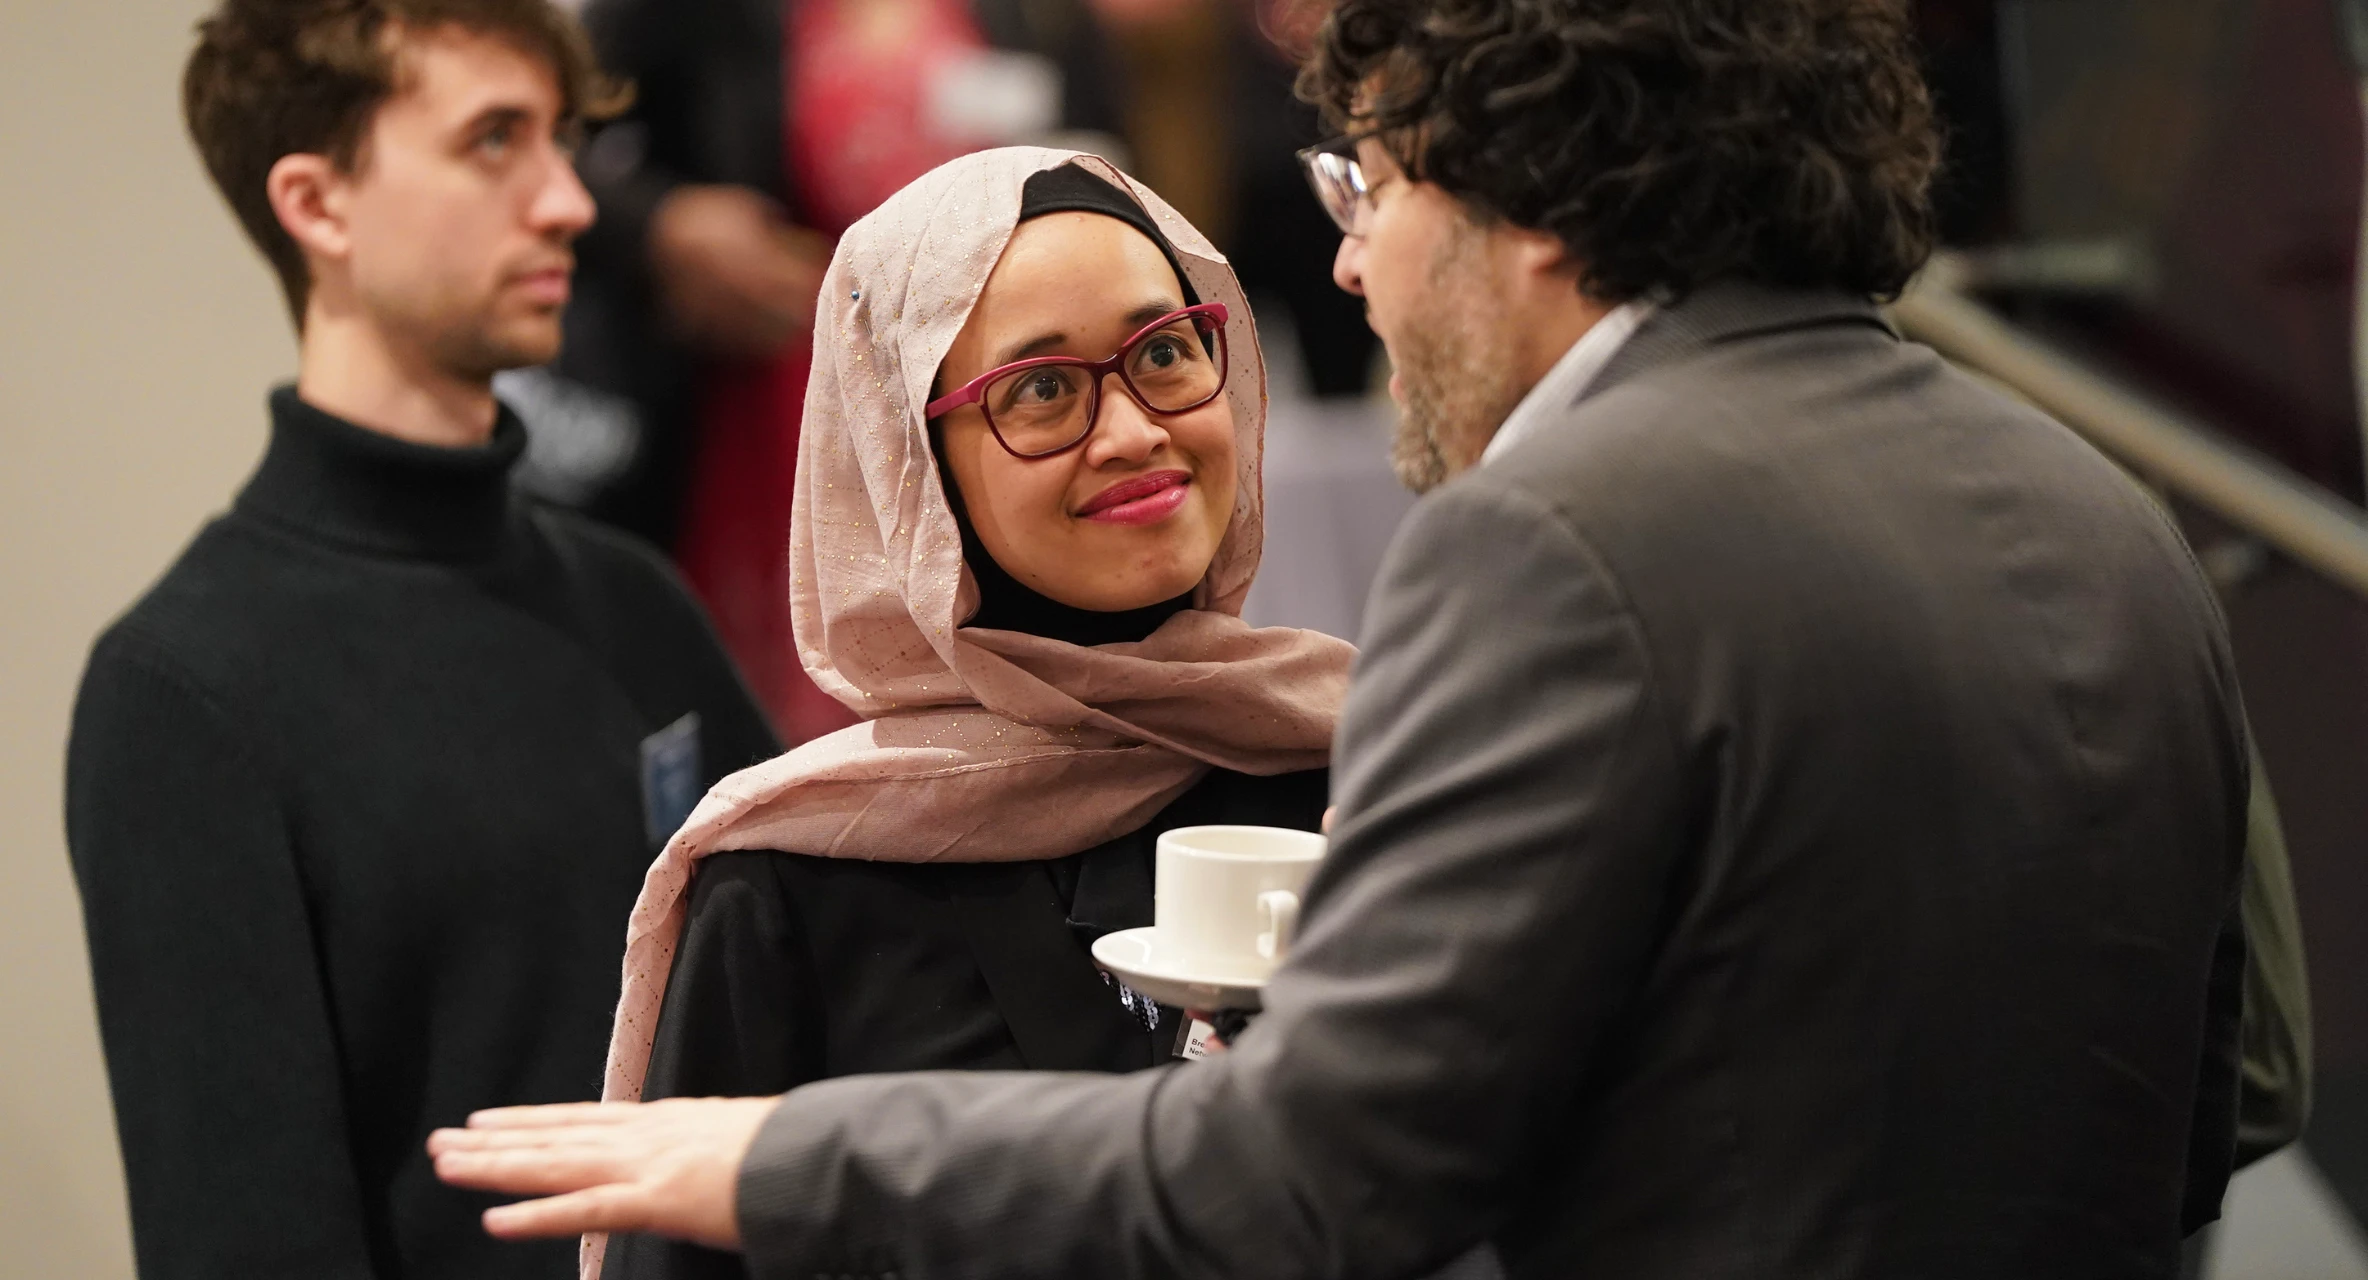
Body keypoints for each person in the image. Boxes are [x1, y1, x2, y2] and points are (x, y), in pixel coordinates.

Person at [430, 2, 2253, 1276]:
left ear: (1528, 208)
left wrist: (773, 1155)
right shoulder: (2109, 517)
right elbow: (2234, 1091)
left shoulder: (1545, 554)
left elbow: (1305, 1179)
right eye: (1039, 390)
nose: (1354, 268)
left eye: (1367, 193)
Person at [65, 2, 777, 1276]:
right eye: (494, 140)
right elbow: (246, 1243)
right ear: (318, 204)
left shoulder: (636, 606)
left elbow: (816, 1015)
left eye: (560, 140)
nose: (568, 202)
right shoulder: (184, 688)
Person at [590, 149, 1354, 1278]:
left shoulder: (1358, 772)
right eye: (1041, 388)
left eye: (1163, 351)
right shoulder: (794, 878)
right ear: (914, 468)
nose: (1133, 429)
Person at [554, 0, 1123, 743]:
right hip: (773, 408)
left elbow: (1098, 155)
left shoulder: (1035, 13)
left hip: (973, 401)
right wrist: (663, 227)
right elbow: (554, 144)